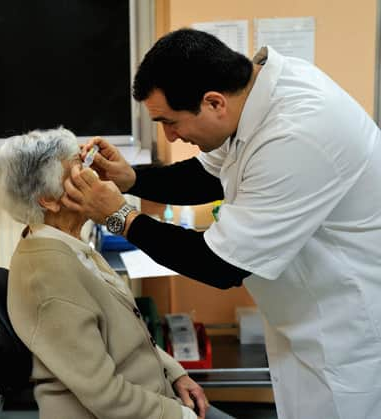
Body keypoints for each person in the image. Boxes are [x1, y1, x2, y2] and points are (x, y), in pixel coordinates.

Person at [62, 28, 381, 419]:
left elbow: (220, 265)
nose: (171, 136)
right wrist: (132, 180)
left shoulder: (298, 135)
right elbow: (208, 175)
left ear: (213, 103)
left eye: (170, 122)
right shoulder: (252, 98)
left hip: (348, 334)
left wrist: (119, 216)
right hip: (307, 320)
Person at [0, 127, 235, 419]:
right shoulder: (49, 275)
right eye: (80, 171)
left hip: (152, 394)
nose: (94, 178)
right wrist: (180, 415)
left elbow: (129, 333)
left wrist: (174, 372)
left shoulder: (72, 246)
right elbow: (106, 397)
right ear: (49, 200)